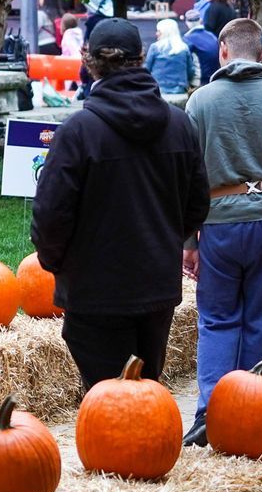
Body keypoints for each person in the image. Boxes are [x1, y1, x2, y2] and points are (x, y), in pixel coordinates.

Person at [32, 20, 210, 386]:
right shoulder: (179, 126)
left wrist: (58, 264)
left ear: (90, 62)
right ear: (142, 59)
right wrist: (162, 241)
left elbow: (50, 217)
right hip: (156, 288)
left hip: (93, 292)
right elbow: (198, 206)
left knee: (107, 401)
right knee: (144, 391)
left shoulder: (78, 133)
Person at [181, 18, 262, 443]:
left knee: (218, 319)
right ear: (261, 55)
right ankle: (255, 413)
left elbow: (189, 178)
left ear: (223, 51)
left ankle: (211, 412)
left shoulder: (198, 102)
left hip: (218, 226)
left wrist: (188, 240)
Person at [145, 18, 200, 105]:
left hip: (159, 94)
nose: (156, 33)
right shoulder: (184, 48)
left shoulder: (155, 48)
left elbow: (146, 70)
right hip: (181, 94)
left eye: (159, 31)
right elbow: (191, 72)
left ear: (165, 32)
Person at [184, 7, 220, 85]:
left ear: (186, 22)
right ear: (200, 20)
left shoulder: (187, 39)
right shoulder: (212, 36)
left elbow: (186, 65)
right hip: (215, 78)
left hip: (200, 82)